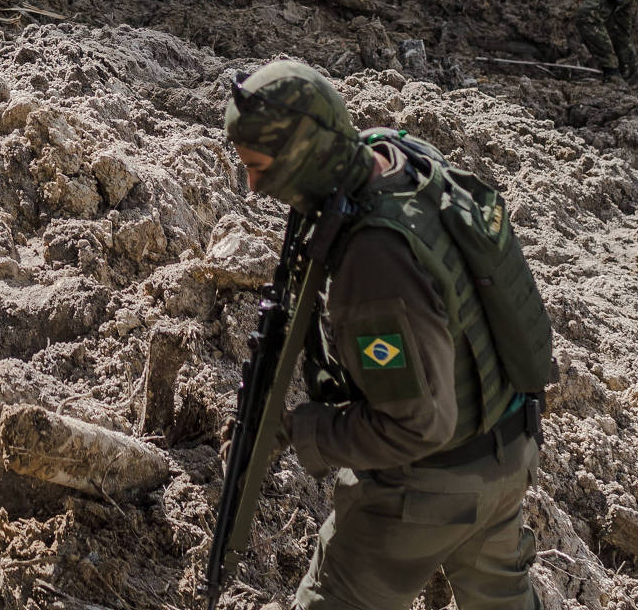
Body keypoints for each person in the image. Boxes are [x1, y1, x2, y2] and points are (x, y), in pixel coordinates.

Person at [225, 60, 544, 610]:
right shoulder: (402, 158)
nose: (253, 187)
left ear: (304, 155)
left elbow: (419, 427)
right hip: (507, 454)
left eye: (259, 167)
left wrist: (306, 430)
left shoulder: (373, 262)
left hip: (430, 488)